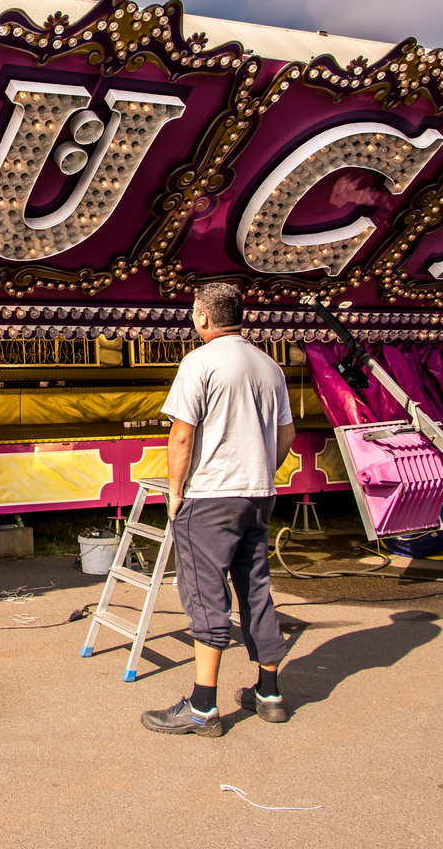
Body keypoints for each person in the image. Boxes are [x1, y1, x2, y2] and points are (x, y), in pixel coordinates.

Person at [141, 282, 294, 738]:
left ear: (204, 318)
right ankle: (269, 694)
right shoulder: (270, 366)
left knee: (206, 596)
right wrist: (261, 471)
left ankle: (204, 706)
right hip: (258, 493)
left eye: (193, 312)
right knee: (256, 589)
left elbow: (182, 436)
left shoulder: (199, 362)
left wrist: (174, 491)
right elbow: (285, 436)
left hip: (209, 497)